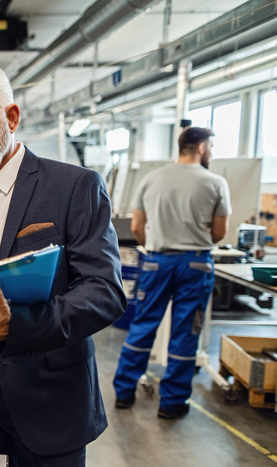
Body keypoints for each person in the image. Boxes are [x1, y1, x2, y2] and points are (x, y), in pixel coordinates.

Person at [0, 63, 126, 467]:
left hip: (49, 400)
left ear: (12, 117)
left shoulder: (73, 187)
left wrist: (14, 326)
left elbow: (104, 292)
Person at [113, 127, 230, 419]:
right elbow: (218, 234)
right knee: (185, 332)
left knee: (142, 324)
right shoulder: (216, 182)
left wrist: (156, 248)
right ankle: (172, 403)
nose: (211, 152)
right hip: (196, 264)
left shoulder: (151, 179)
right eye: (211, 146)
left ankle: (124, 393)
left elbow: (138, 228)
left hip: (156, 261)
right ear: (201, 147)